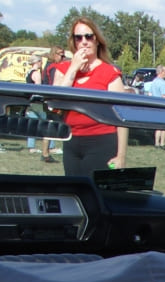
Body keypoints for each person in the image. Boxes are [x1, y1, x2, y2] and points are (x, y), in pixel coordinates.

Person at [47, 17, 127, 175]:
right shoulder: (63, 69)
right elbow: (55, 103)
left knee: (94, 194)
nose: (84, 42)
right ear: (74, 42)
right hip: (71, 140)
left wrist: (121, 156)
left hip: (102, 140)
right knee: (73, 191)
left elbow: (122, 117)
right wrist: (74, 68)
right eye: (79, 37)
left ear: (97, 40)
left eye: (89, 36)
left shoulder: (109, 72)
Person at [142, 65, 165, 148]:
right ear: (161, 72)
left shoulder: (154, 82)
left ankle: (156, 143)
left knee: (158, 126)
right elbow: (164, 96)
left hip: (155, 106)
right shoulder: (162, 83)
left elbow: (150, 94)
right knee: (164, 126)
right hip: (162, 106)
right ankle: (162, 143)